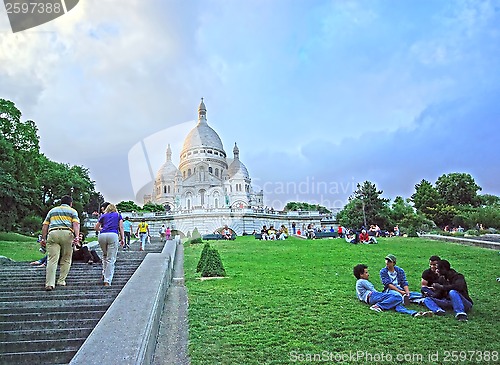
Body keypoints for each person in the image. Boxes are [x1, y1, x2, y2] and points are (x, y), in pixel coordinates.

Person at [353, 264, 432, 318]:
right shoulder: (363, 281)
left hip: (369, 298)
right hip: (372, 296)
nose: (368, 274)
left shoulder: (358, 283)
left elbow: (359, 296)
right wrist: (382, 296)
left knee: (396, 303)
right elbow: (374, 290)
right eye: (366, 272)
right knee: (397, 297)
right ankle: (378, 306)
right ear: (361, 274)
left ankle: (414, 313)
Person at [40, 195, 80, 291]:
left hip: (53, 233)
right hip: (67, 233)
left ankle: (49, 283)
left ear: (61, 202)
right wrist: (77, 236)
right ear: (71, 203)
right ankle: (61, 280)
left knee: (52, 259)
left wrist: (43, 238)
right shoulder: (73, 211)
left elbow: (45, 225)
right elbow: (76, 224)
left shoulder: (52, 211)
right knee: (66, 258)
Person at [95, 203, 124, 286]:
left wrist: (102, 229)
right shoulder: (118, 215)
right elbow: (121, 227)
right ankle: (107, 280)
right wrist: (122, 238)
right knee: (111, 259)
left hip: (102, 235)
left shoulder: (104, 216)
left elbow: (96, 227)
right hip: (113, 235)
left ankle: (104, 274)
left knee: (104, 255)